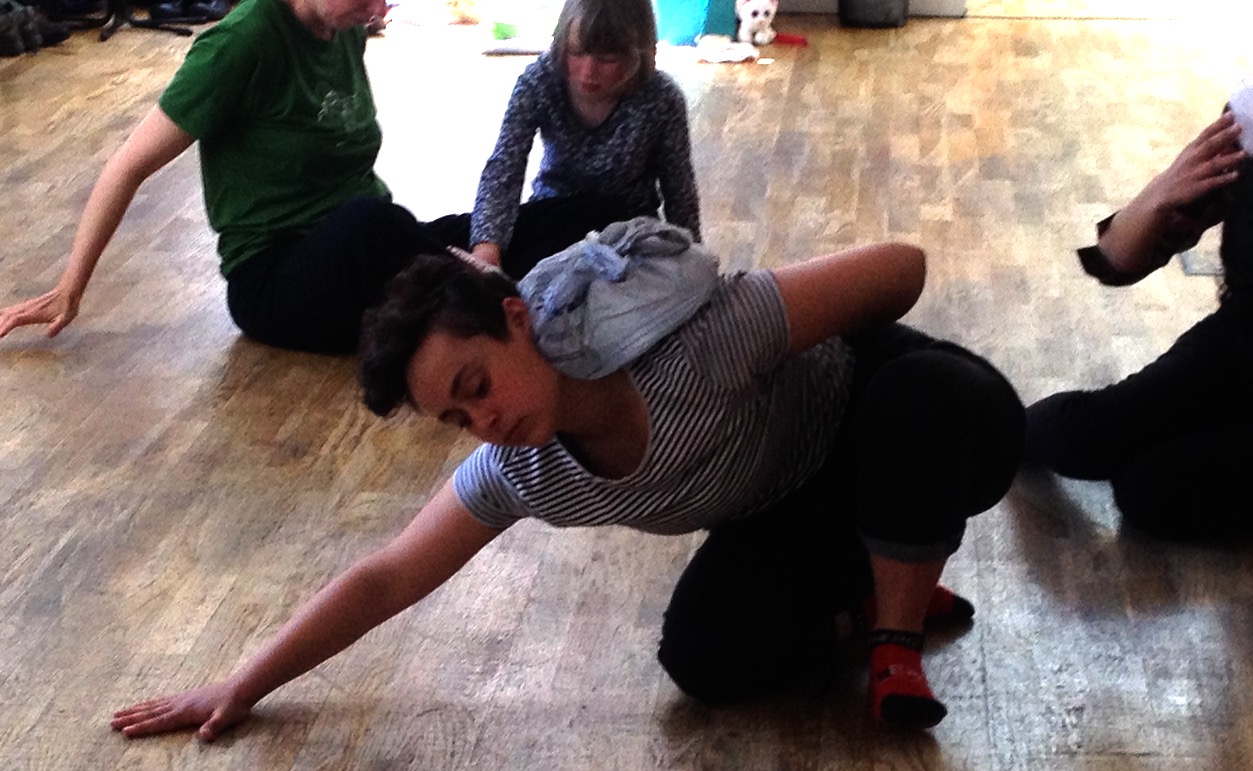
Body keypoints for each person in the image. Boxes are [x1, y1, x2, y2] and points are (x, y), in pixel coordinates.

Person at [110, 233, 1026, 739]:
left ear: (517, 319)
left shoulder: (699, 345)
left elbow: (904, 265)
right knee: (706, 662)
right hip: (790, 497)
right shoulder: (524, 467)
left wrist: (786, 329)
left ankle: (897, 632)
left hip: (918, 420)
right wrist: (242, 683)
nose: (484, 420)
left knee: (919, 398)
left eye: (477, 384)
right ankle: (882, 581)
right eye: (456, 419)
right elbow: (387, 575)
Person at [0, 0, 631, 356]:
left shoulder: (341, 28)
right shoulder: (242, 43)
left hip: (371, 248)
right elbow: (127, 165)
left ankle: (508, 286)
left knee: (584, 211)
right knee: (372, 223)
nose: (378, 10)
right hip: (278, 283)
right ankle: (505, 302)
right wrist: (69, 288)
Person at [1025, 94, 1253, 541]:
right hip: (1240, 339)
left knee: (1153, 491)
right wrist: (1158, 197)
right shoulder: (1247, 119)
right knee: (1074, 435)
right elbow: (1115, 261)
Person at [467, 0, 702, 268]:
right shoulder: (539, 81)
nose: (588, 71)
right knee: (443, 235)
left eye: (607, 58)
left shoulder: (662, 99)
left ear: (637, 53)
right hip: (554, 217)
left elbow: (679, 192)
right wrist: (486, 249)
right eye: (576, 52)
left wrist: (692, 260)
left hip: (626, 232)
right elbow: (504, 167)